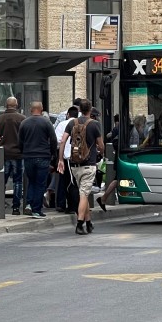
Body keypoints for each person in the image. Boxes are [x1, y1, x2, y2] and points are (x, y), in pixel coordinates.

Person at [67, 99, 104, 236]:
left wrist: (60, 159)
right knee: (84, 195)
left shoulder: (72, 123)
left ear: (79, 109)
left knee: (84, 192)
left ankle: (89, 223)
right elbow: (101, 145)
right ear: (90, 110)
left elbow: (64, 140)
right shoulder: (95, 124)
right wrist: (102, 153)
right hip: (89, 165)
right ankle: (79, 224)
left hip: (74, 165)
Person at [17, 101, 56, 219]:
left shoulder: (24, 123)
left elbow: (20, 141)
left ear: (31, 109)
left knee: (31, 181)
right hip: (43, 156)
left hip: (28, 156)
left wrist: (23, 151)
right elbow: (53, 139)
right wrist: (52, 154)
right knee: (40, 183)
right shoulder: (46, 122)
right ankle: (36, 209)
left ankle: (29, 204)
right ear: (42, 109)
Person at [0, 96, 26, 214]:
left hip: (3, 154)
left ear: (6, 105)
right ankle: (16, 208)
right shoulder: (22, 119)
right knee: (18, 181)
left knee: (1, 180)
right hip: (18, 154)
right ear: (16, 105)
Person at [53, 105, 79, 212]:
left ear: (67, 115)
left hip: (65, 156)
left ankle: (61, 203)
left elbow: (58, 140)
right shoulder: (81, 124)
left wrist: (59, 158)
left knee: (63, 181)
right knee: (74, 182)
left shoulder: (62, 124)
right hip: (78, 158)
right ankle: (74, 205)